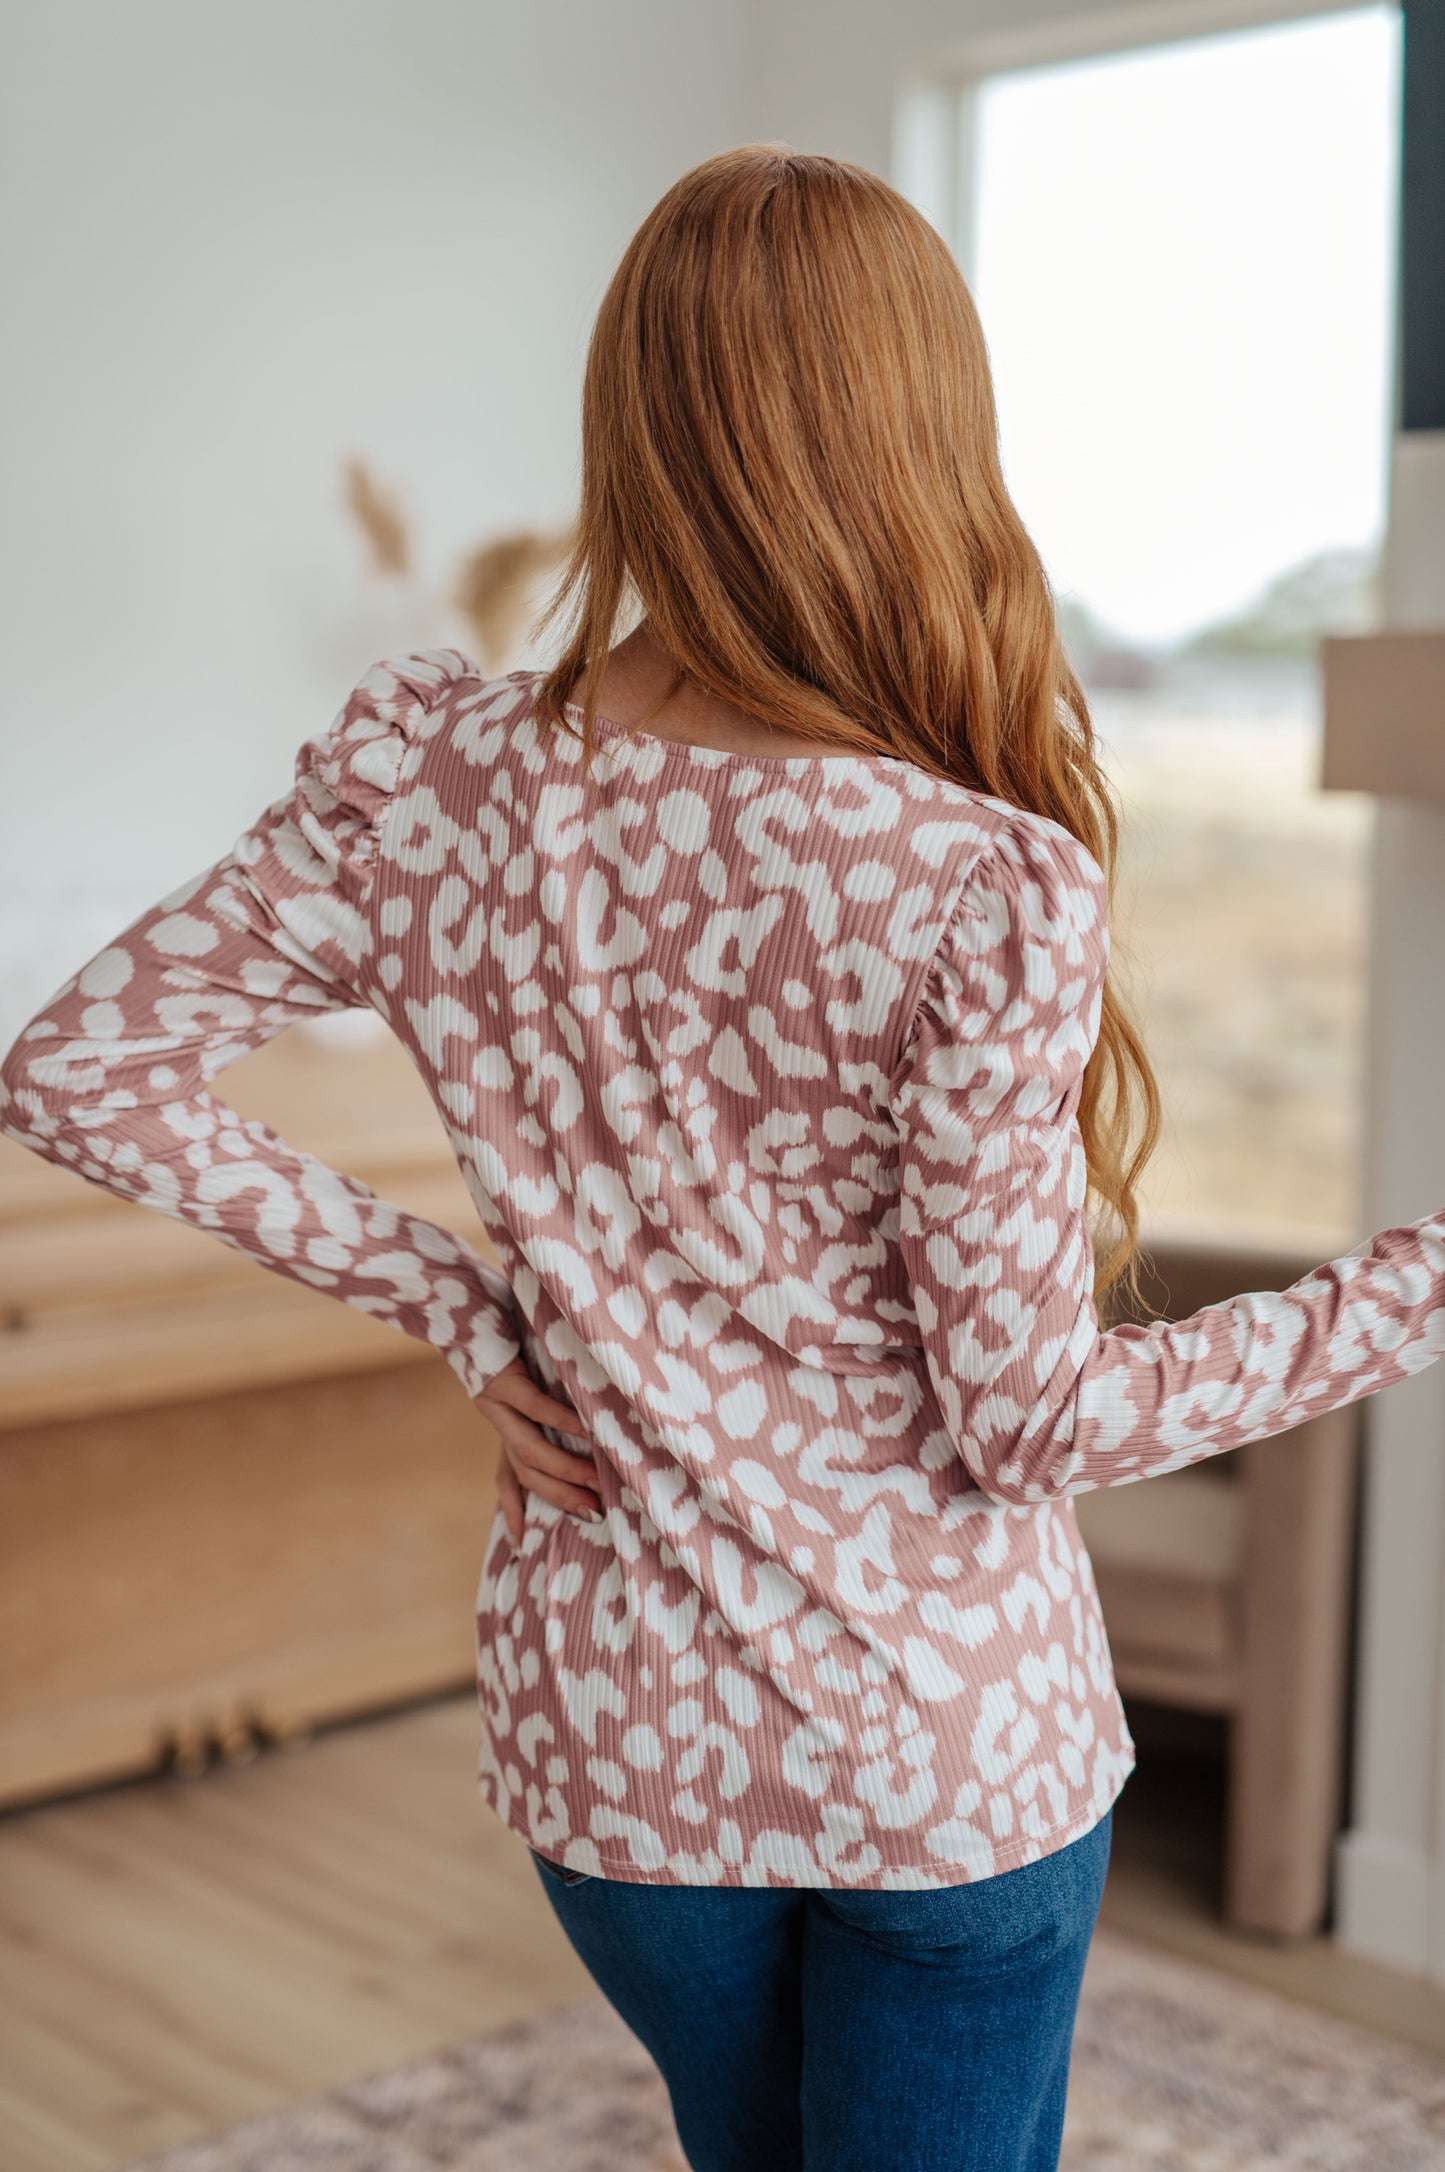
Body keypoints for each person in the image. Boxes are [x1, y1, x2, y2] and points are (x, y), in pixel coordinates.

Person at [2, 143, 1442, 2172]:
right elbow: (1024, 1420)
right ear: (927, 437)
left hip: (620, 1768)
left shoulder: (427, 779)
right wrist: (1408, 1290)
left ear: (639, 423)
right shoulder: (979, 882)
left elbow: (82, 1066)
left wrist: (457, 1304)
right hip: (948, 1758)